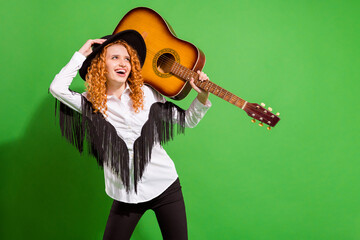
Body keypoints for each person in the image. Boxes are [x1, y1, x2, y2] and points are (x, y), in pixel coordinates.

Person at [49, 30, 211, 240]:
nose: (123, 63)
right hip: (125, 195)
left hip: (165, 186)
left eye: (127, 58)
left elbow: (187, 120)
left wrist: (203, 95)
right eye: (114, 57)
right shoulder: (90, 103)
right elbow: (57, 88)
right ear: (99, 64)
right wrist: (81, 54)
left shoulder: (148, 93)